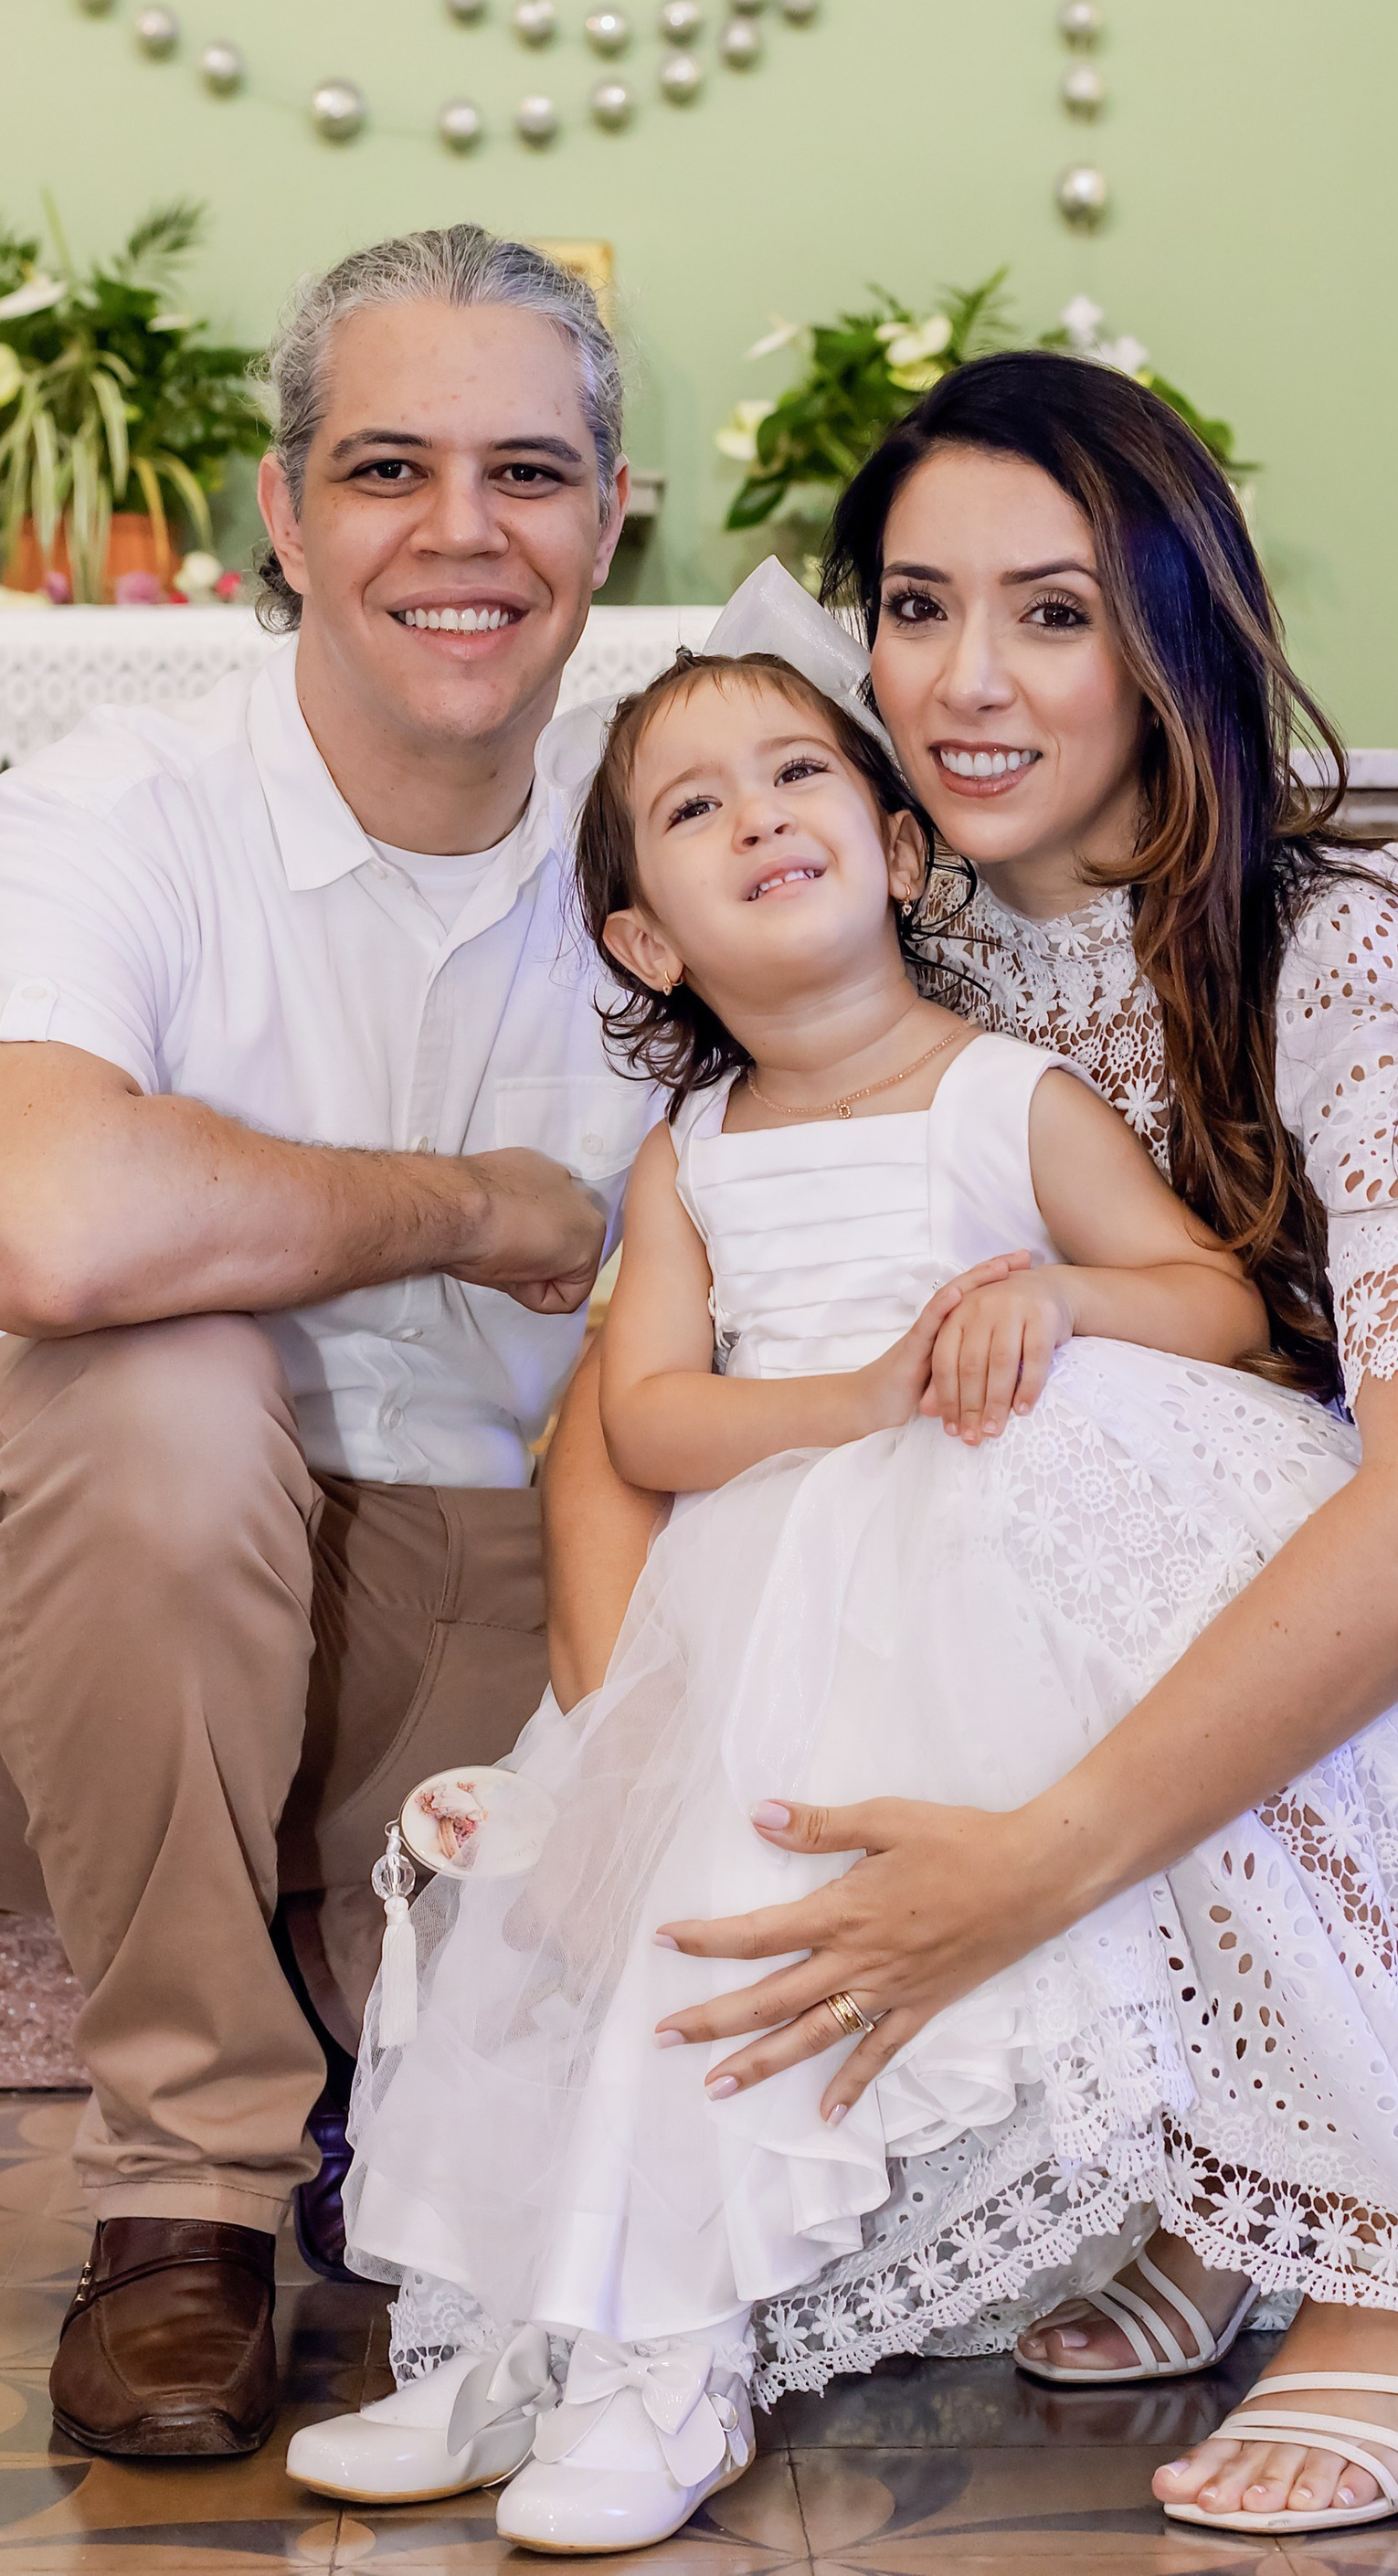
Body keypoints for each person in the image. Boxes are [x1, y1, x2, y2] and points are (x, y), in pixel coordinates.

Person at [548, 355, 1398, 2535]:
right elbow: (613, 1424)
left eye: (1050, 613)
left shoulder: (1359, 936)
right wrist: (629, 1782)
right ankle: (1255, 2155)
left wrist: (1027, 1866)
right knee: (917, 1478)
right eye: (912, 604)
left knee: (1048, 1412)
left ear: (1173, 634)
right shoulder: (878, 921)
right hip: (1196, 1596)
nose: (963, 681)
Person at [288, 641, 1340, 2550]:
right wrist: (848, 1404)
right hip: (744, 1603)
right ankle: (519, 2335)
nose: (759, 816)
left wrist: (1054, 1297)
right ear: (645, 940)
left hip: (956, 1614)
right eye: (696, 811)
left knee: (725, 1962)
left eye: (795, 777)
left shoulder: (1001, 1100)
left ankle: (670, 2353)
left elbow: (1216, 1306)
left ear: (903, 856)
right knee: (565, 1955)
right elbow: (656, 1417)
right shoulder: (684, 1163)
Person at [0, 228, 653, 2464]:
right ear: (281, 515)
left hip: (486, 1629)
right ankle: (182, 2195)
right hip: (28, 1628)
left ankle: (393, 2072)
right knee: (165, 1378)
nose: (460, 536)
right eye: (387, 467)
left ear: (610, 511)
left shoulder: (690, 841)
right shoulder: (109, 811)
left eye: (525, 474)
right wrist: (467, 1204)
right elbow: (48, 1218)